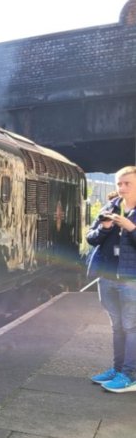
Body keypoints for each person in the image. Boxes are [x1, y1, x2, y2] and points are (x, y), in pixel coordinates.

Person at [87, 165, 136, 392]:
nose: (122, 188)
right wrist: (105, 228)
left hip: (131, 280)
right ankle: (117, 369)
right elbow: (91, 238)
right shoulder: (110, 207)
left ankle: (129, 375)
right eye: (120, 184)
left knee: (131, 327)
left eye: (128, 184)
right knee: (117, 327)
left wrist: (131, 228)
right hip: (107, 277)